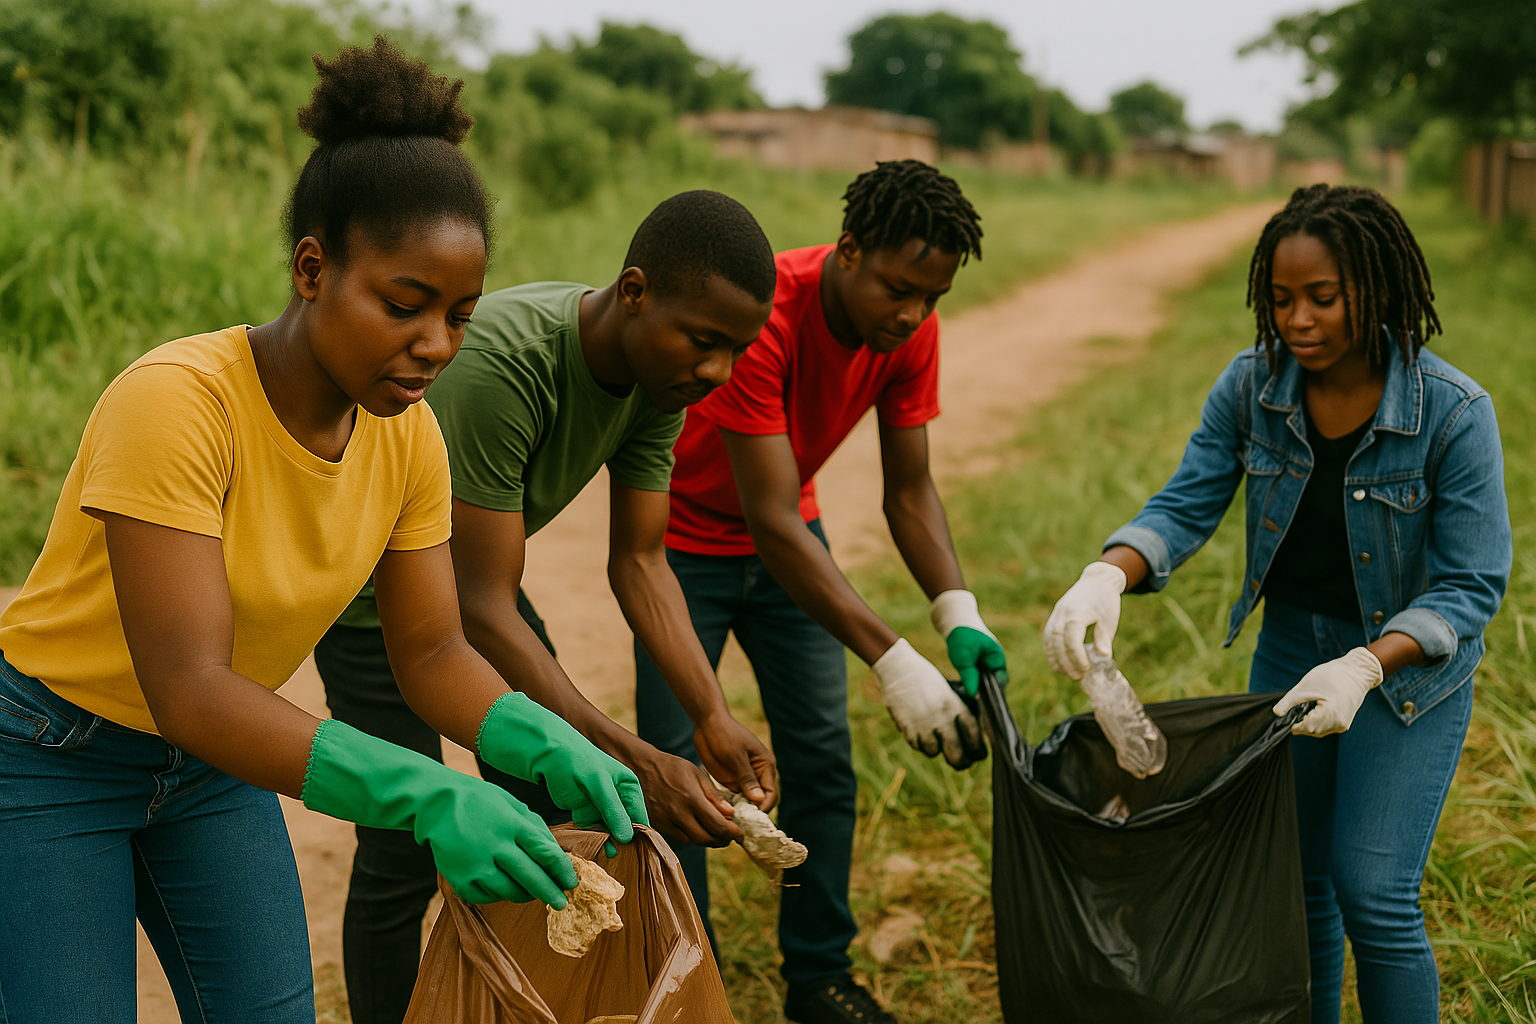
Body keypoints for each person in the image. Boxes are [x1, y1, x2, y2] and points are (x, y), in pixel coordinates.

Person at [0, 39, 643, 1024]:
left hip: (213, 769)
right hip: (52, 756)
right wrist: (427, 794)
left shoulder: (409, 439)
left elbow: (430, 648)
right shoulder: (176, 404)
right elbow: (192, 687)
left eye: (460, 315)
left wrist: (539, 734)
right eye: (404, 305)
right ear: (313, 268)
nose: (435, 345)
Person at [1042, 184, 1511, 1024]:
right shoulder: (1254, 387)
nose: (1297, 319)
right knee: (1296, 886)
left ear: (1379, 288)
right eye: (1281, 299)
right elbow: (1185, 503)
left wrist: (1368, 664)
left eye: (1322, 298)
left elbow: (1472, 583)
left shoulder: (1453, 411)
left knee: (1373, 888)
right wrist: (1107, 574)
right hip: (1292, 650)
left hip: (1406, 678)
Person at [316, 190, 781, 1024]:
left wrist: (709, 715)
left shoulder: (657, 386)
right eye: (704, 342)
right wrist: (635, 759)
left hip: (475, 588)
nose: (716, 372)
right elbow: (480, 610)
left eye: (736, 351)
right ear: (634, 291)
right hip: (374, 608)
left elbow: (640, 563)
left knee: (550, 823)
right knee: (399, 848)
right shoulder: (505, 365)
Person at [640, 159, 1008, 1024]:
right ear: (848, 251)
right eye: (898, 287)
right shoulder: (768, 311)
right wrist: (891, 658)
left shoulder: (911, 331)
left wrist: (957, 614)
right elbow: (767, 515)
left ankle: (818, 972)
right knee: (672, 777)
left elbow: (909, 492)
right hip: (683, 550)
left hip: (788, 555)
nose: (914, 313)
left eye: (934, 295)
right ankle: (694, 987)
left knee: (821, 767)